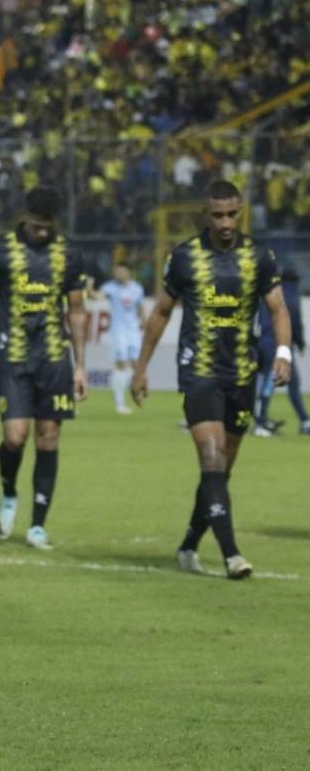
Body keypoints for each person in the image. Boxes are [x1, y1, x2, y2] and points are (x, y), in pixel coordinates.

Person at [131, 181, 291, 579]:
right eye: (217, 215)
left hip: (241, 373)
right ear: (206, 215)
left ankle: (188, 545)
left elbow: (279, 310)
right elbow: (161, 313)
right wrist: (140, 367)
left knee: (220, 472)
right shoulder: (185, 257)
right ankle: (232, 554)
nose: (225, 222)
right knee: (212, 457)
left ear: (240, 212)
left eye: (231, 214)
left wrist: (284, 352)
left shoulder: (259, 257)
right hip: (199, 372)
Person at [0, 186, 88, 550]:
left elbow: (76, 310)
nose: (43, 234)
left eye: (48, 227)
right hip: (14, 356)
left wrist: (81, 366)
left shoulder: (69, 252)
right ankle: (9, 492)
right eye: (37, 226)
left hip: (54, 357)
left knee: (49, 437)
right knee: (14, 437)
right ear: (24, 217)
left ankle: (38, 525)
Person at [253, 266, 308, 435]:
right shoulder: (291, 295)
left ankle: (304, 419)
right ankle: (261, 423)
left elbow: (257, 319)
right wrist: (300, 342)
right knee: (283, 383)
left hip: (264, 342)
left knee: (269, 382)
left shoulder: (268, 292)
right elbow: (295, 322)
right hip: (282, 345)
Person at [100, 262, 145, 415]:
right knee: (121, 365)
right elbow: (97, 296)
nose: (118, 273)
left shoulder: (137, 289)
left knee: (136, 365)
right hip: (118, 332)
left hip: (134, 332)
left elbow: (141, 308)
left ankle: (132, 395)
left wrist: (144, 323)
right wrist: (88, 288)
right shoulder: (111, 287)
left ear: (128, 272)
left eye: (121, 271)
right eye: (116, 271)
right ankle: (119, 403)